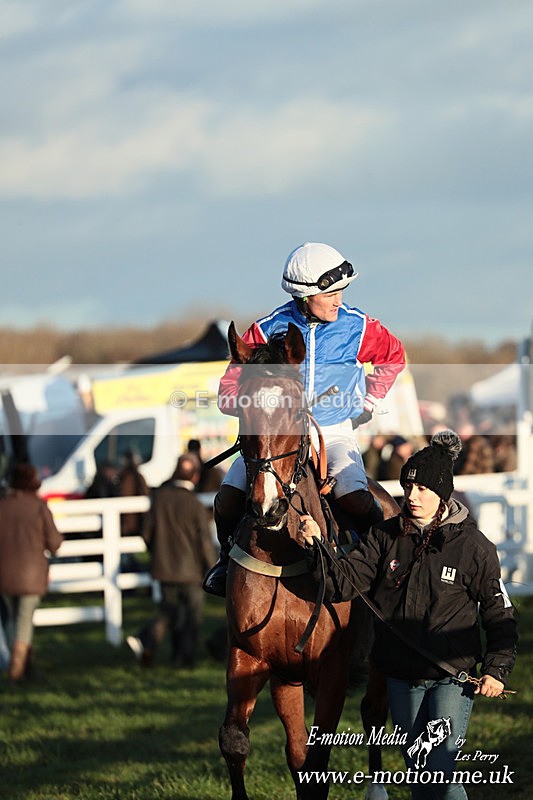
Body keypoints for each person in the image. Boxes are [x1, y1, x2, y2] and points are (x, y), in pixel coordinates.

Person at [301, 431, 518, 800]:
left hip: (452, 677)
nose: (412, 497)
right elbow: (342, 584)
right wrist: (317, 548)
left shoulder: (475, 547)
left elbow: (500, 612)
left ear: (442, 495)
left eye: (422, 490)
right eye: (408, 487)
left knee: (439, 770)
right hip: (400, 676)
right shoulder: (384, 537)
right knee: (420, 772)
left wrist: (496, 669)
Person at [203, 241, 405, 596]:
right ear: (303, 295)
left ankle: (387, 562)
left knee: (355, 498)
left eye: (341, 291)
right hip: (275, 436)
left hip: (333, 431)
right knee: (229, 497)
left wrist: (368, 400)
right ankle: (225, 561)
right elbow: (229, 387)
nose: (338, 300)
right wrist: (255, 408)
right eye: (330, 294)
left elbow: (394, 356)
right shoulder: (266, 329)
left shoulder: (359, 327)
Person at [127, 454, 216, 667]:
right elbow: (204, 542)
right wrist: (212, 568)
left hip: (164, 568)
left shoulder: (159, 499)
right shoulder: (195, 505)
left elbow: (146, 534)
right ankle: (184, 658)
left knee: (171, 613)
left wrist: (157, 554)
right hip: (191, 571)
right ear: (195, 476)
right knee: (191, 617)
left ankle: (151, 643)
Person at [0, 463, 63, 681]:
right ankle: (17, 669)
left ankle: (23, 666)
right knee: (24, 620)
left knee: (10, 618)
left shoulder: (2, 506)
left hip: (4, 574)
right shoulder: (39, 507)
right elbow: (54, 543)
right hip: (32, 574)